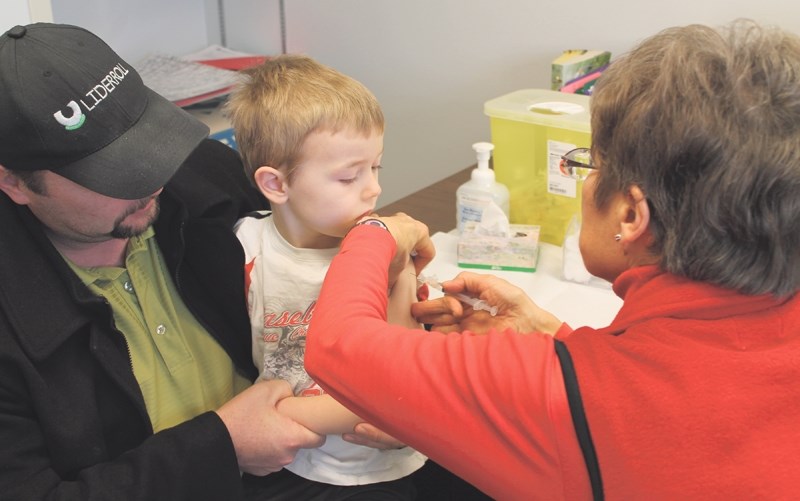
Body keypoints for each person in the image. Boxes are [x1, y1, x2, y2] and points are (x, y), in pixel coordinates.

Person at [303, 19, 800, 500]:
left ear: (630, 214)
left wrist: (376, 231)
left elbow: (335, 346)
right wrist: (551, 336)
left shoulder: (575, 398)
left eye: (590, 164)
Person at [0, 22, 408, 500]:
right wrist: (222, 447)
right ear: (15, 183)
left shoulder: (205, 179)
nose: (151, 180)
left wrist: (399, 246)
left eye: (148, 145)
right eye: (111, 173)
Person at [225, 54, 426, 499]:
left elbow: (398, 391)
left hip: (375, 469)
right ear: (277, 185)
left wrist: (276, 413)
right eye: (349, 176)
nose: (373, 188)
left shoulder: (383, 250)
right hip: (281, 463)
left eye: (376, 168)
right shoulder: (244, 246)